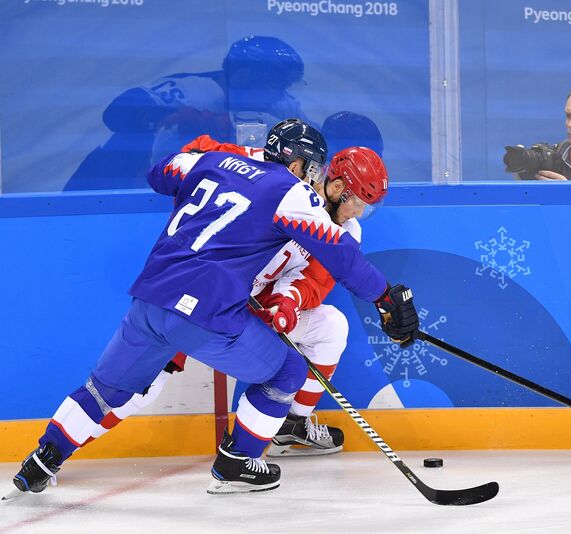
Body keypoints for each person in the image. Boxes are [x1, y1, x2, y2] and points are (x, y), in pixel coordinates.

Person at [11, 119, 419, 496]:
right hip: (211, 312)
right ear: (299, 165)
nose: (315, 175)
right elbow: (343, 259)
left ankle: (41, 462)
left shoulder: (217, 160)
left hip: (152, 297)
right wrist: (386, 296)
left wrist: (287, 301)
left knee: (106, 390)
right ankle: (239, 460)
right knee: (285, 371)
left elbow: (162, 174)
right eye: (312, 167)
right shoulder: (293, 193)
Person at [84, 134, 389, 457]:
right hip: (209, 297)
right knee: (144, 387)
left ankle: (291, 425)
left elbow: (314, 280)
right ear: (339, 187)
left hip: (258, 310)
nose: (358, 212)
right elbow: (203, 149)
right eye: (357, 201)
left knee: (332, 326)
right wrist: (216, 155)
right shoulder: (278, 185)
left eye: (366, 207)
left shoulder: (346, 231)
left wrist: (289, 302)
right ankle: (64, 449)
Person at [64, 35, 310, 191]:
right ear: (243, 76)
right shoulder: (195, 90)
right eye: (276, 85)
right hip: (110, 179)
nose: (281, 94)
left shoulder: (283, 103)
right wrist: (172, 117)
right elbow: (116, 112)